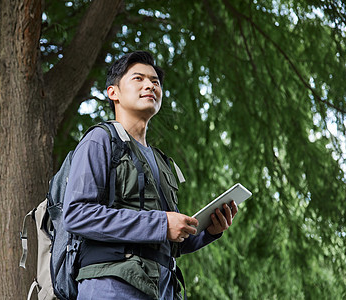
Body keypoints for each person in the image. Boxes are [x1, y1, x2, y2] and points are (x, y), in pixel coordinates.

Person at [63, 51, 238, 300]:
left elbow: (169, 242)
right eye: (138, 79)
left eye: (155, 82)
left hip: (162, 289)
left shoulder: (161, 161)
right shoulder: (100, 140)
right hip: (111, 287)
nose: (150, 86)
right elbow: (77, 214)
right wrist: (161, 223)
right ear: (114, 92)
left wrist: (209, 231)